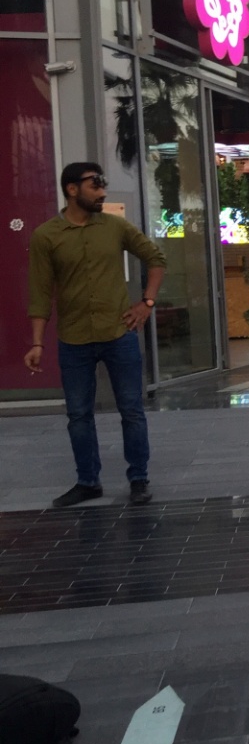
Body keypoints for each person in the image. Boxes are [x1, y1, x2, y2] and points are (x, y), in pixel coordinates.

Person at [25, 162, 167, 508]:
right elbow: (40, 292)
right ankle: (88, 482)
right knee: (78, 415)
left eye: (103, 185)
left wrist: (147, 302)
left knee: (131, 410)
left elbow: (155, 257)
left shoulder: (115, 227)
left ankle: (139, 480)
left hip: (118, 333)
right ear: (72, 189)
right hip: (73, 339)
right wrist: (37, 342)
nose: (102, 192)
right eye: (95, 185)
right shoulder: (46, 236)